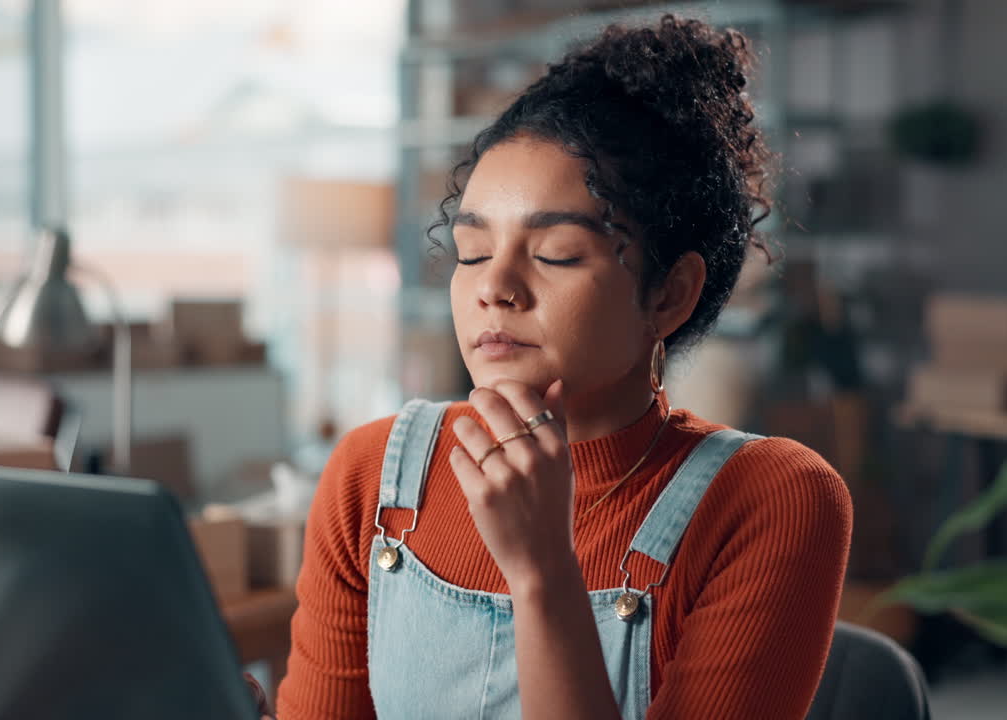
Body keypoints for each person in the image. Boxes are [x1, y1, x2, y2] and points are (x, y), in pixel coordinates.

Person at [271, 15, 852, 720]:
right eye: (472, 252)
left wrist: (542, 571)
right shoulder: (370, 478)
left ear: (669, 295)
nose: (495, 288)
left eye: (556, 255)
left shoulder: (773, 500)